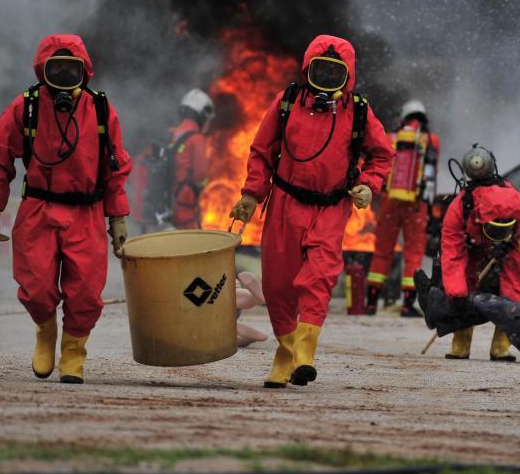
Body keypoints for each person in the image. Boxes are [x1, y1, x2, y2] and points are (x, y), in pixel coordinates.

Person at [229, 34, 393, 388]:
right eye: (322, 71)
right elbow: (262, 149)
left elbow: (382, 155)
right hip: (285, 206)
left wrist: (368, 184)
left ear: (349, 76)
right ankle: (286, 354)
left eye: (337, 74)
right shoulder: (287, 102)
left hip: (331, 208)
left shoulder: (359, 111)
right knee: (278, 286)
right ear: (308, 69)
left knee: (318, 279)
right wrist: (251, 193)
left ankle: (304, 355)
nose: (329, 80)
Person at [0, 34, 131, 384]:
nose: (63, 74)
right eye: (55, 67)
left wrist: (118, 218)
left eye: (70, 67)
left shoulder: (101, 109)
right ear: (42, 70)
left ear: (85, 71)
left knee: (87, 293)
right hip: (38, 210)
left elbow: (115, 168)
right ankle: (45, 333)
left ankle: (74, 353)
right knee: (35, 288)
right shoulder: (25, 107)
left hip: (87, 214)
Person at [437, 146, 520, 362]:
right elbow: (452, 255)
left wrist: (508, 245)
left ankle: (501, 345)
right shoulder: (458, 209)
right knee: (462, 286)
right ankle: (460, 343)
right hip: (471, 243)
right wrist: (457, 295)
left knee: (518, 281)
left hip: (509, 246)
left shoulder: (518, 205)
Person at [366, 99, 440, 317]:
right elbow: (431, 173)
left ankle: (371, 302)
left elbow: (381, 165)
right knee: (413, 254)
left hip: (390, 202)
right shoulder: (431, 140)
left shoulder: (390, 138)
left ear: (403, 117)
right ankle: (408, 304)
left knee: (382, 252)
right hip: (416, 204)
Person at [169, 89, 214, 229]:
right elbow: (200, 176)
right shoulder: (196, 139)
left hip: (165, 208)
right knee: (192, 247)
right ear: (200, 115)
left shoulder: (170, 134)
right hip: (184, 211)